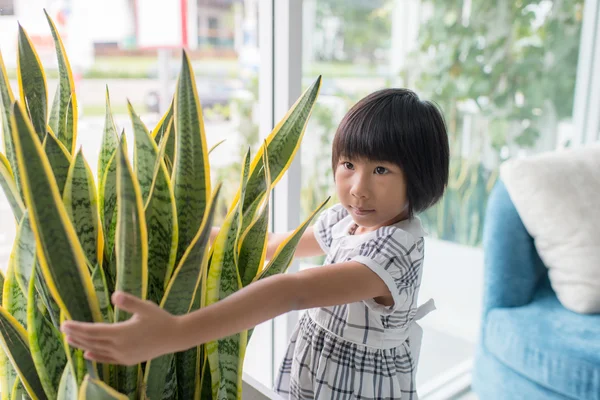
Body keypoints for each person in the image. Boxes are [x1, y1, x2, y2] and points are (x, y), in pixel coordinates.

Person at [62, 88, 450, 399]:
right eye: (348, 164)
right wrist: (186, 240)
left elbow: (292, 291)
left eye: (380, 170)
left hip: (361, 386)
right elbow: (268, 245)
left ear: (420, 178)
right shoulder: (346, 222)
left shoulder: (396, 250)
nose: (358, 188)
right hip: (317, 372)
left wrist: (175, 333)